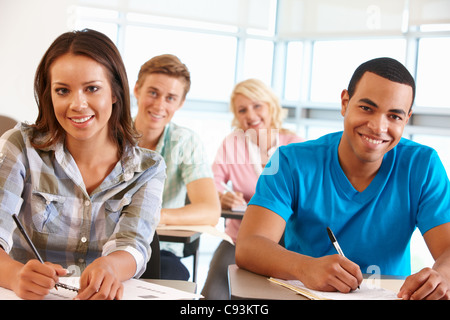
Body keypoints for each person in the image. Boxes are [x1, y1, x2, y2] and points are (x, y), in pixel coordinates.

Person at [235, 57, 450, 300]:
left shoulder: (422, 165)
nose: (379, 127)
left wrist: (443, 274)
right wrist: (304, 267)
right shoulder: (291, 161)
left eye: (394, 116)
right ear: (345, 103)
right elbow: (249, 245)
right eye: (366, 108)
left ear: (406, 119)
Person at [0, 29, 165, 300]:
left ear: (115, 92)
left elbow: (133, 244)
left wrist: (110, 266)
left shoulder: (148, 167)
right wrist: (15, 275)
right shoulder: (20, 146)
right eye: (62, 90)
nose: (77, 104)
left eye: (92, 88)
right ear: (49, 95)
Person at [201, 79, 303, 299]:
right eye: (242, 109)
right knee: (212, 295)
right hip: (240, 240)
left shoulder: (294, 144)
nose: (250, 114)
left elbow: (307, 191)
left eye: (257, 106)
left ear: (270, 107)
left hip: (288, 246)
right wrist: (222, 196)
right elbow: (211, 181)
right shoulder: (233, 144)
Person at [134, 54, 220, 280]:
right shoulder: (108, 135)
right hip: (103, 246)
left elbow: (210, 210)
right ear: (137, 90)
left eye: (170, 97)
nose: (159, 104)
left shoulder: (185, 142)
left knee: (174, 279)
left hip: (160, 250)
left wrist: (150, 215)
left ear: (180, 103)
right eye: (153, 92)